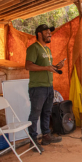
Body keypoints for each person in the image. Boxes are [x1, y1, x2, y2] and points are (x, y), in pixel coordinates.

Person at [25, 24, 63, 152]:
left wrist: (56, 66)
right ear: (39, 34)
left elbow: (47, 66)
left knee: (47, 112)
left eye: (50, 32)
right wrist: (46, 68)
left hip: (48, 86)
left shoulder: (47, 49)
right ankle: (33, 141)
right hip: (38, 87)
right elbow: (28, 66)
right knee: (35, 115)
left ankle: (46, 136)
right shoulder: (33, 48)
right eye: (47, 32)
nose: (49, 33)